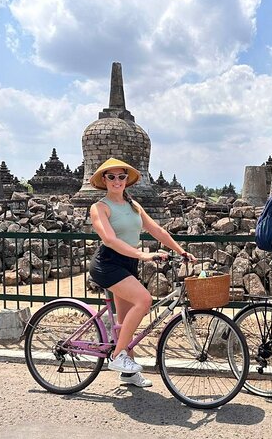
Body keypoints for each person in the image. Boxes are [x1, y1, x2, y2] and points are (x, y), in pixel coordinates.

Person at [88, 157, 196, 388]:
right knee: (144, 300)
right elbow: (109, 239)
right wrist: (143, 255)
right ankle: (118, 358)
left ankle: (128, 373)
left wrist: (180, 250)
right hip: (107, 263)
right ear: (103, 180)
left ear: (127, 180)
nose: (117, 181)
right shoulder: (99, 207)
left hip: (128, 263)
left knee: (126, 321)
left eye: (121, 176)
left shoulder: (134, 205)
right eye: (112, 177)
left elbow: (156, 229)